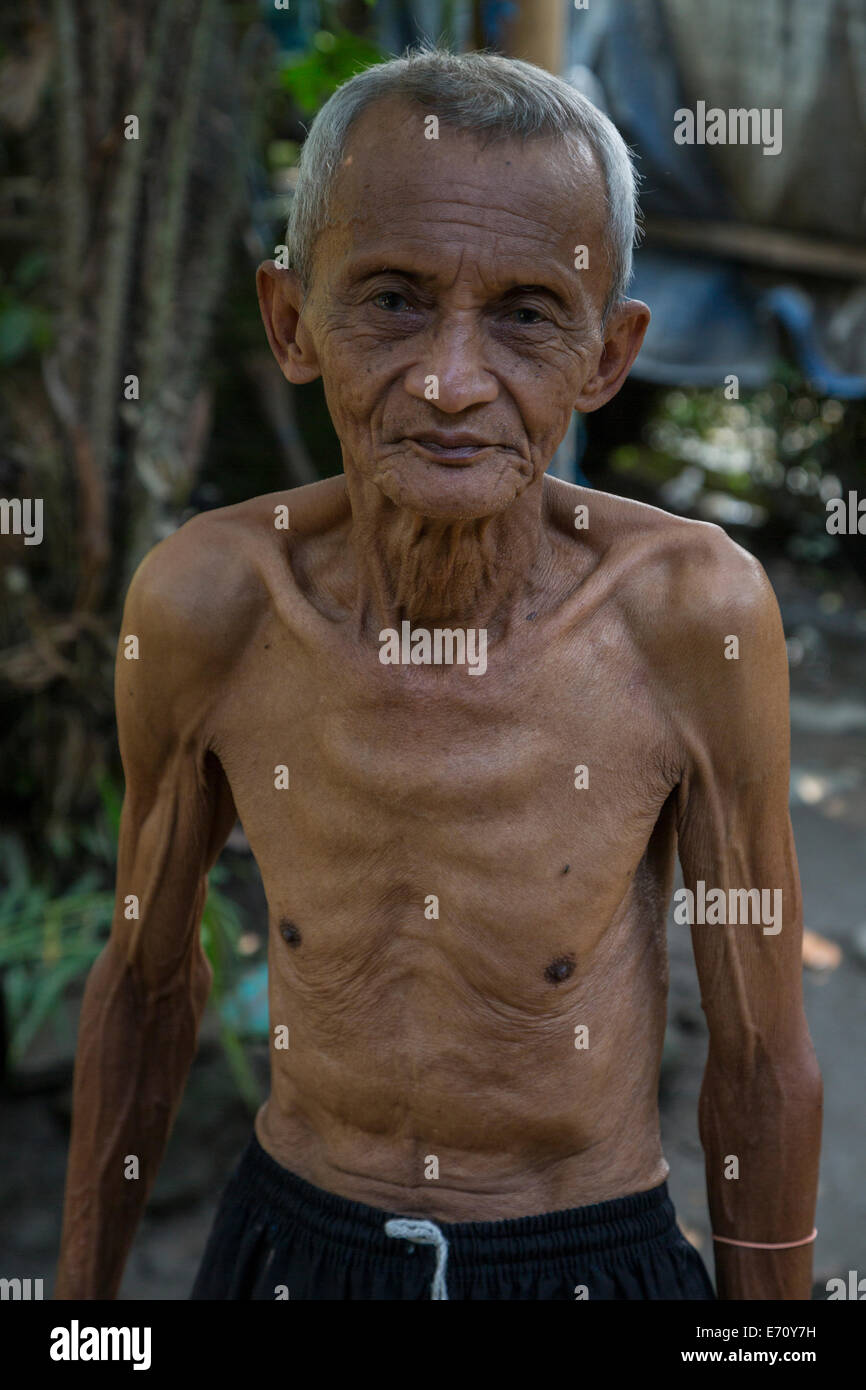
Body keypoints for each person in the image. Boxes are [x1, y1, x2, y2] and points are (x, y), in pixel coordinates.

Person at [56, 47, 821, 1301]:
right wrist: (81, 1318)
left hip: (581, 1260)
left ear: (606, 356)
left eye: (525, 315)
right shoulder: (206, 602)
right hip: (294, 1249)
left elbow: (758, 1058)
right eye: (392, 301)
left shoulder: (694, 616)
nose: (452, 382)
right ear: (291, 321)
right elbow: (142, 983)